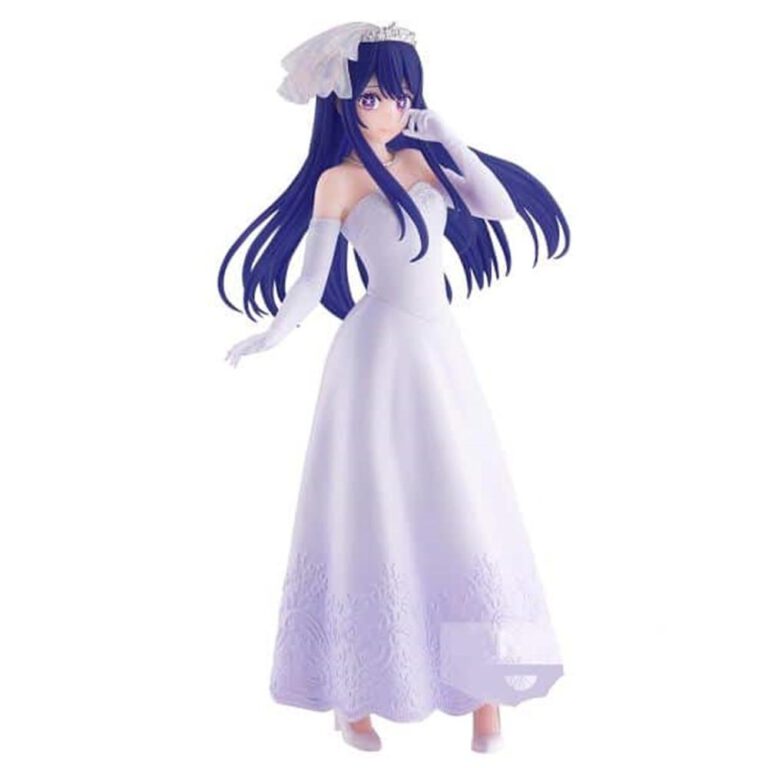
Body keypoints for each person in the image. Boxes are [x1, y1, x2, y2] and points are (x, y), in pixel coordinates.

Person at [220, 21, 570, 753]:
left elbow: (497, 207)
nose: (392, 107)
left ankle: (485, 692)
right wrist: (273, 334)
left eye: (402, 93)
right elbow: (311, 281)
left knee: (464, 503)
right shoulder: (339, 181)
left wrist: (448, 136)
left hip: (438, 354)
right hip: (374, 357)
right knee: (370, 509)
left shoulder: (421, 162)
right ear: (345, 99)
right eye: (376, 94)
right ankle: (357, 695)